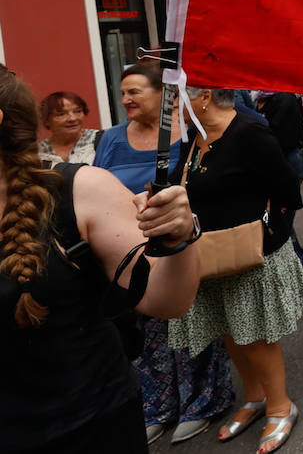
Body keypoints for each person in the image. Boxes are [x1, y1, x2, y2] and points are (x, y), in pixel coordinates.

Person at [1, 63, 202, 453]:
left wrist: (179, 237)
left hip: (88, 428)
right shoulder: (113, 139)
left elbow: (166, 301)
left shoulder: (78, 190)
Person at [94, 62, 234, 443]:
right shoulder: (111, 139)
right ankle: (158, 405)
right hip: (130, 250)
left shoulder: (190, 133)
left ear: (163, 94)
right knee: (149, 336)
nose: (126, 100)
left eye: (135, 91)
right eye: (122, 93)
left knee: (192, 325)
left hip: (180, 246)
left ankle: (202, 401)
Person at [170, 87, 303, 451]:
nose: (173, 106)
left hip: (248, 256)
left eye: (176, 98)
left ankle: (281, 407)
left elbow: (288, 189)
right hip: (207, 256)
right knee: (228, 331)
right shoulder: (194, 140)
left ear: (201, 98)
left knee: (259, 336)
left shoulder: (249, 132)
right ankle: (255, 397)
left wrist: (263, 231)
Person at [37, 90, 100, 167]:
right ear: (46, 120)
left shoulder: (99, 140)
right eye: (61, 114)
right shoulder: (38, 152)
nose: (72, 119)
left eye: (77, 111)